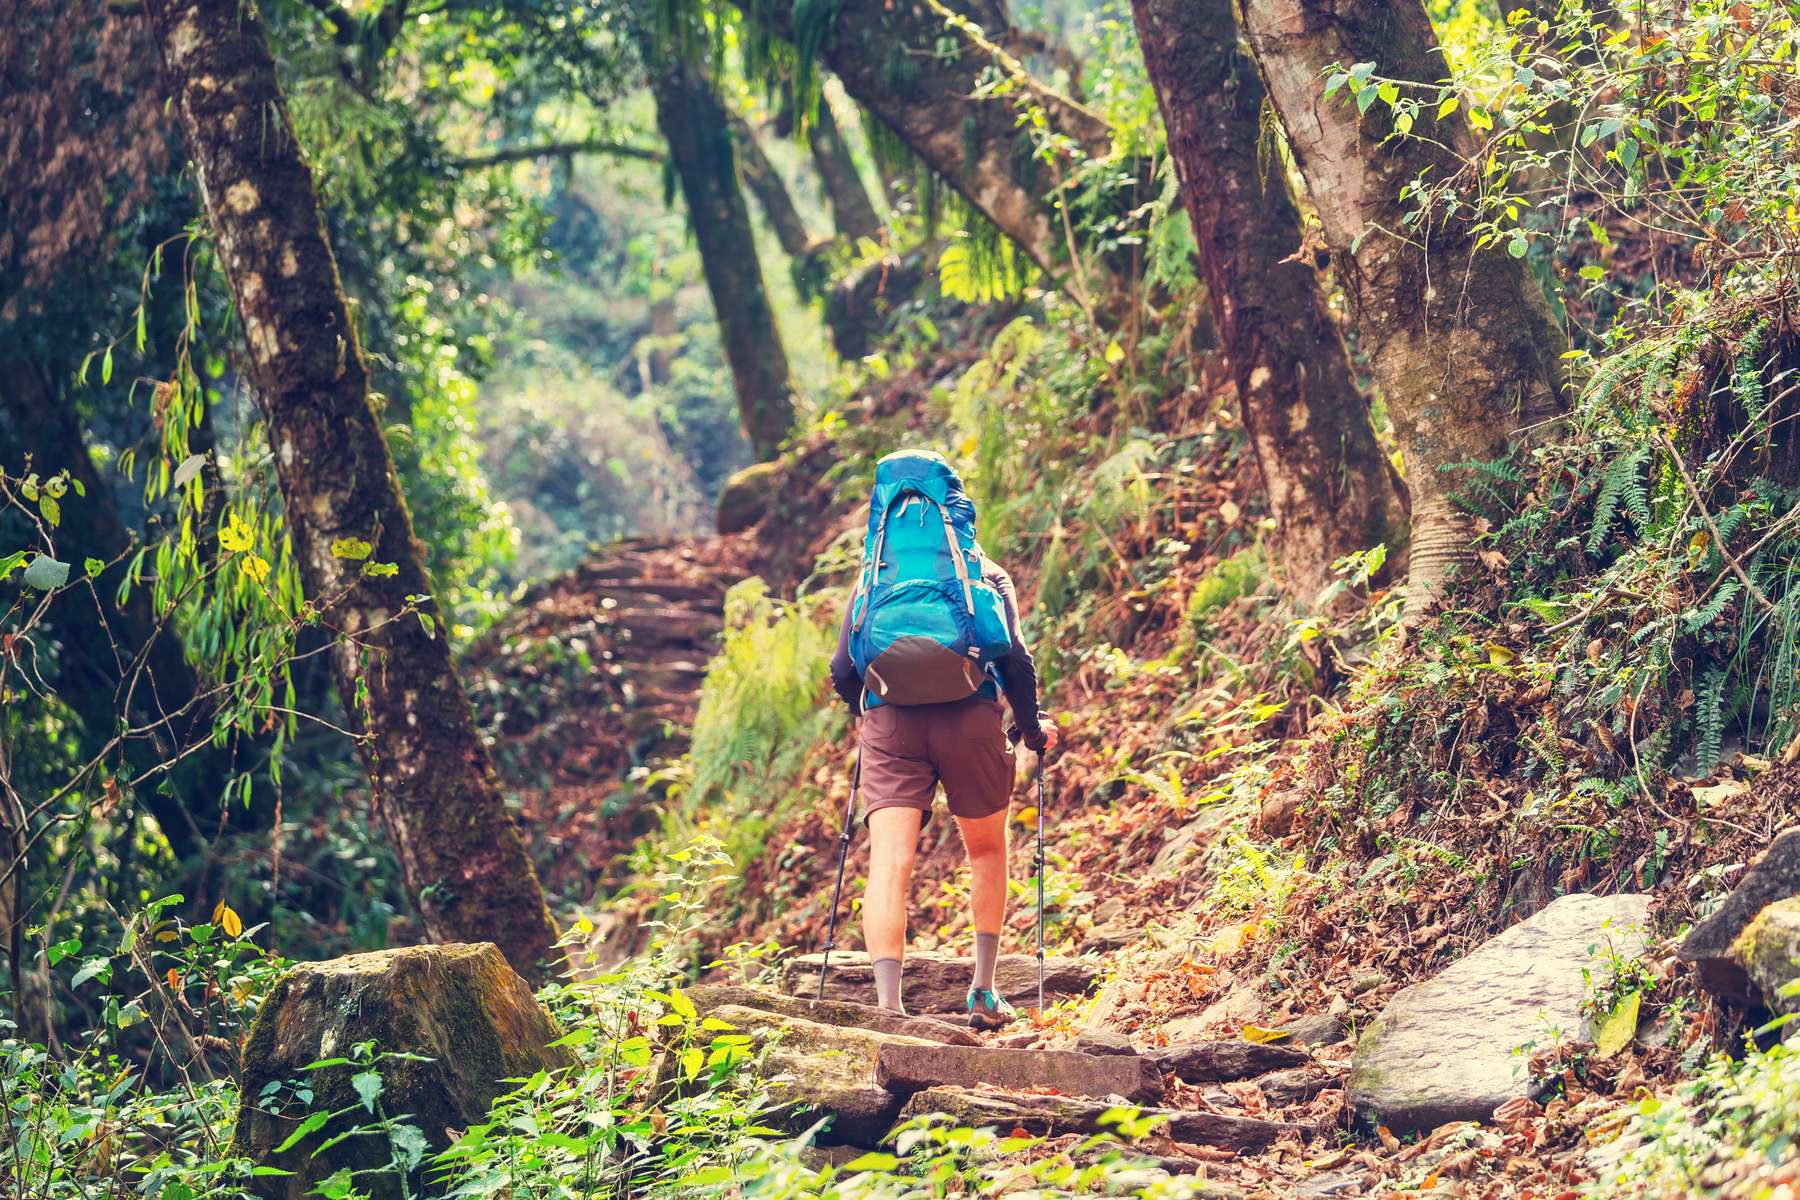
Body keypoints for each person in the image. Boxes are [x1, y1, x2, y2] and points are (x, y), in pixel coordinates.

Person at [828, 456, 1057, 1029]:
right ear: (956, 507)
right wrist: (1032, 730)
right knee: (985, 849)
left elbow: (841, 670)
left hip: (891, 726)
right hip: (970, 719)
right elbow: (1015, 662)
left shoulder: (871, 578)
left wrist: (874, 708)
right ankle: (982, 991)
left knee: (889, 863)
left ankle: (888, 1010)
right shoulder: (982, 572)